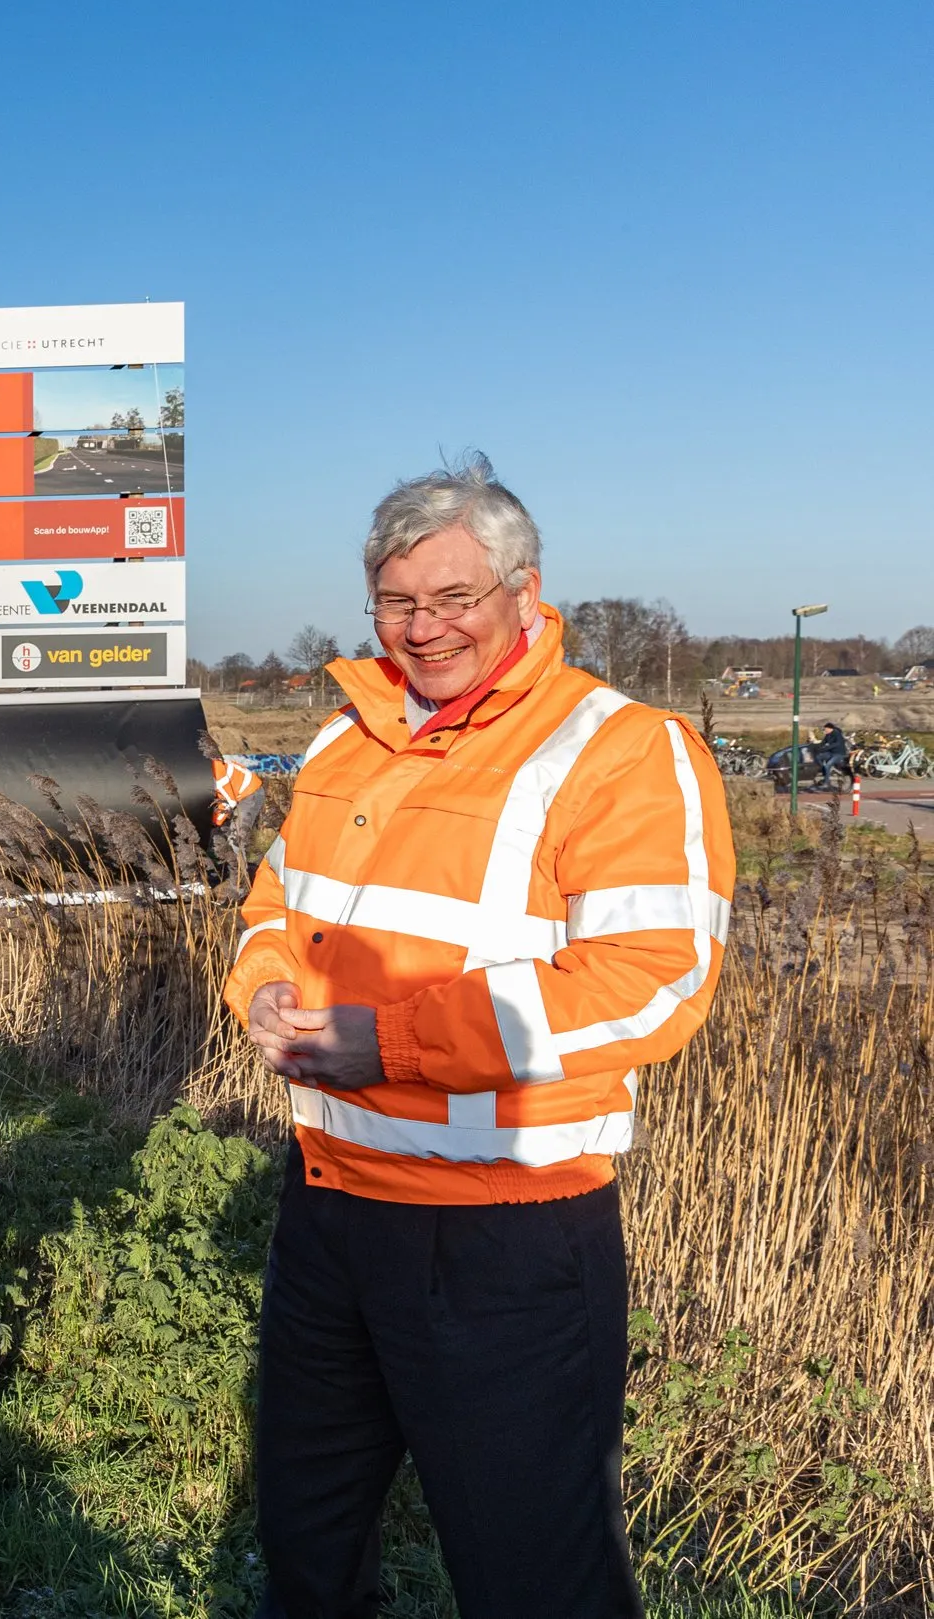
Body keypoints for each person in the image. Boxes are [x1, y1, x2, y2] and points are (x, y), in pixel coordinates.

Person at [227, 455, 733, 1619]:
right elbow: (270, 909)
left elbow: (653, 981)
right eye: (398, 601)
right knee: (304, 1555)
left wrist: (389, 1044)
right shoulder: (345, 739)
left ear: (524, 589)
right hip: (326, 1210)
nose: (425, 626)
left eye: (454, 597)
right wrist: (258, 988)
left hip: (505, 1236)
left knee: (532, 1577)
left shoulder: (618, 747)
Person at [202, 733, 265, 895]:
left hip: (249, 795)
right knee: (218, 835)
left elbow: (226, 803)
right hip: (235, 795)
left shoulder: (218, 774)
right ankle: (222, 871)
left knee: (236, 840)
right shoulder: (206, 769)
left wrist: (214, 823)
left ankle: (240, 887)